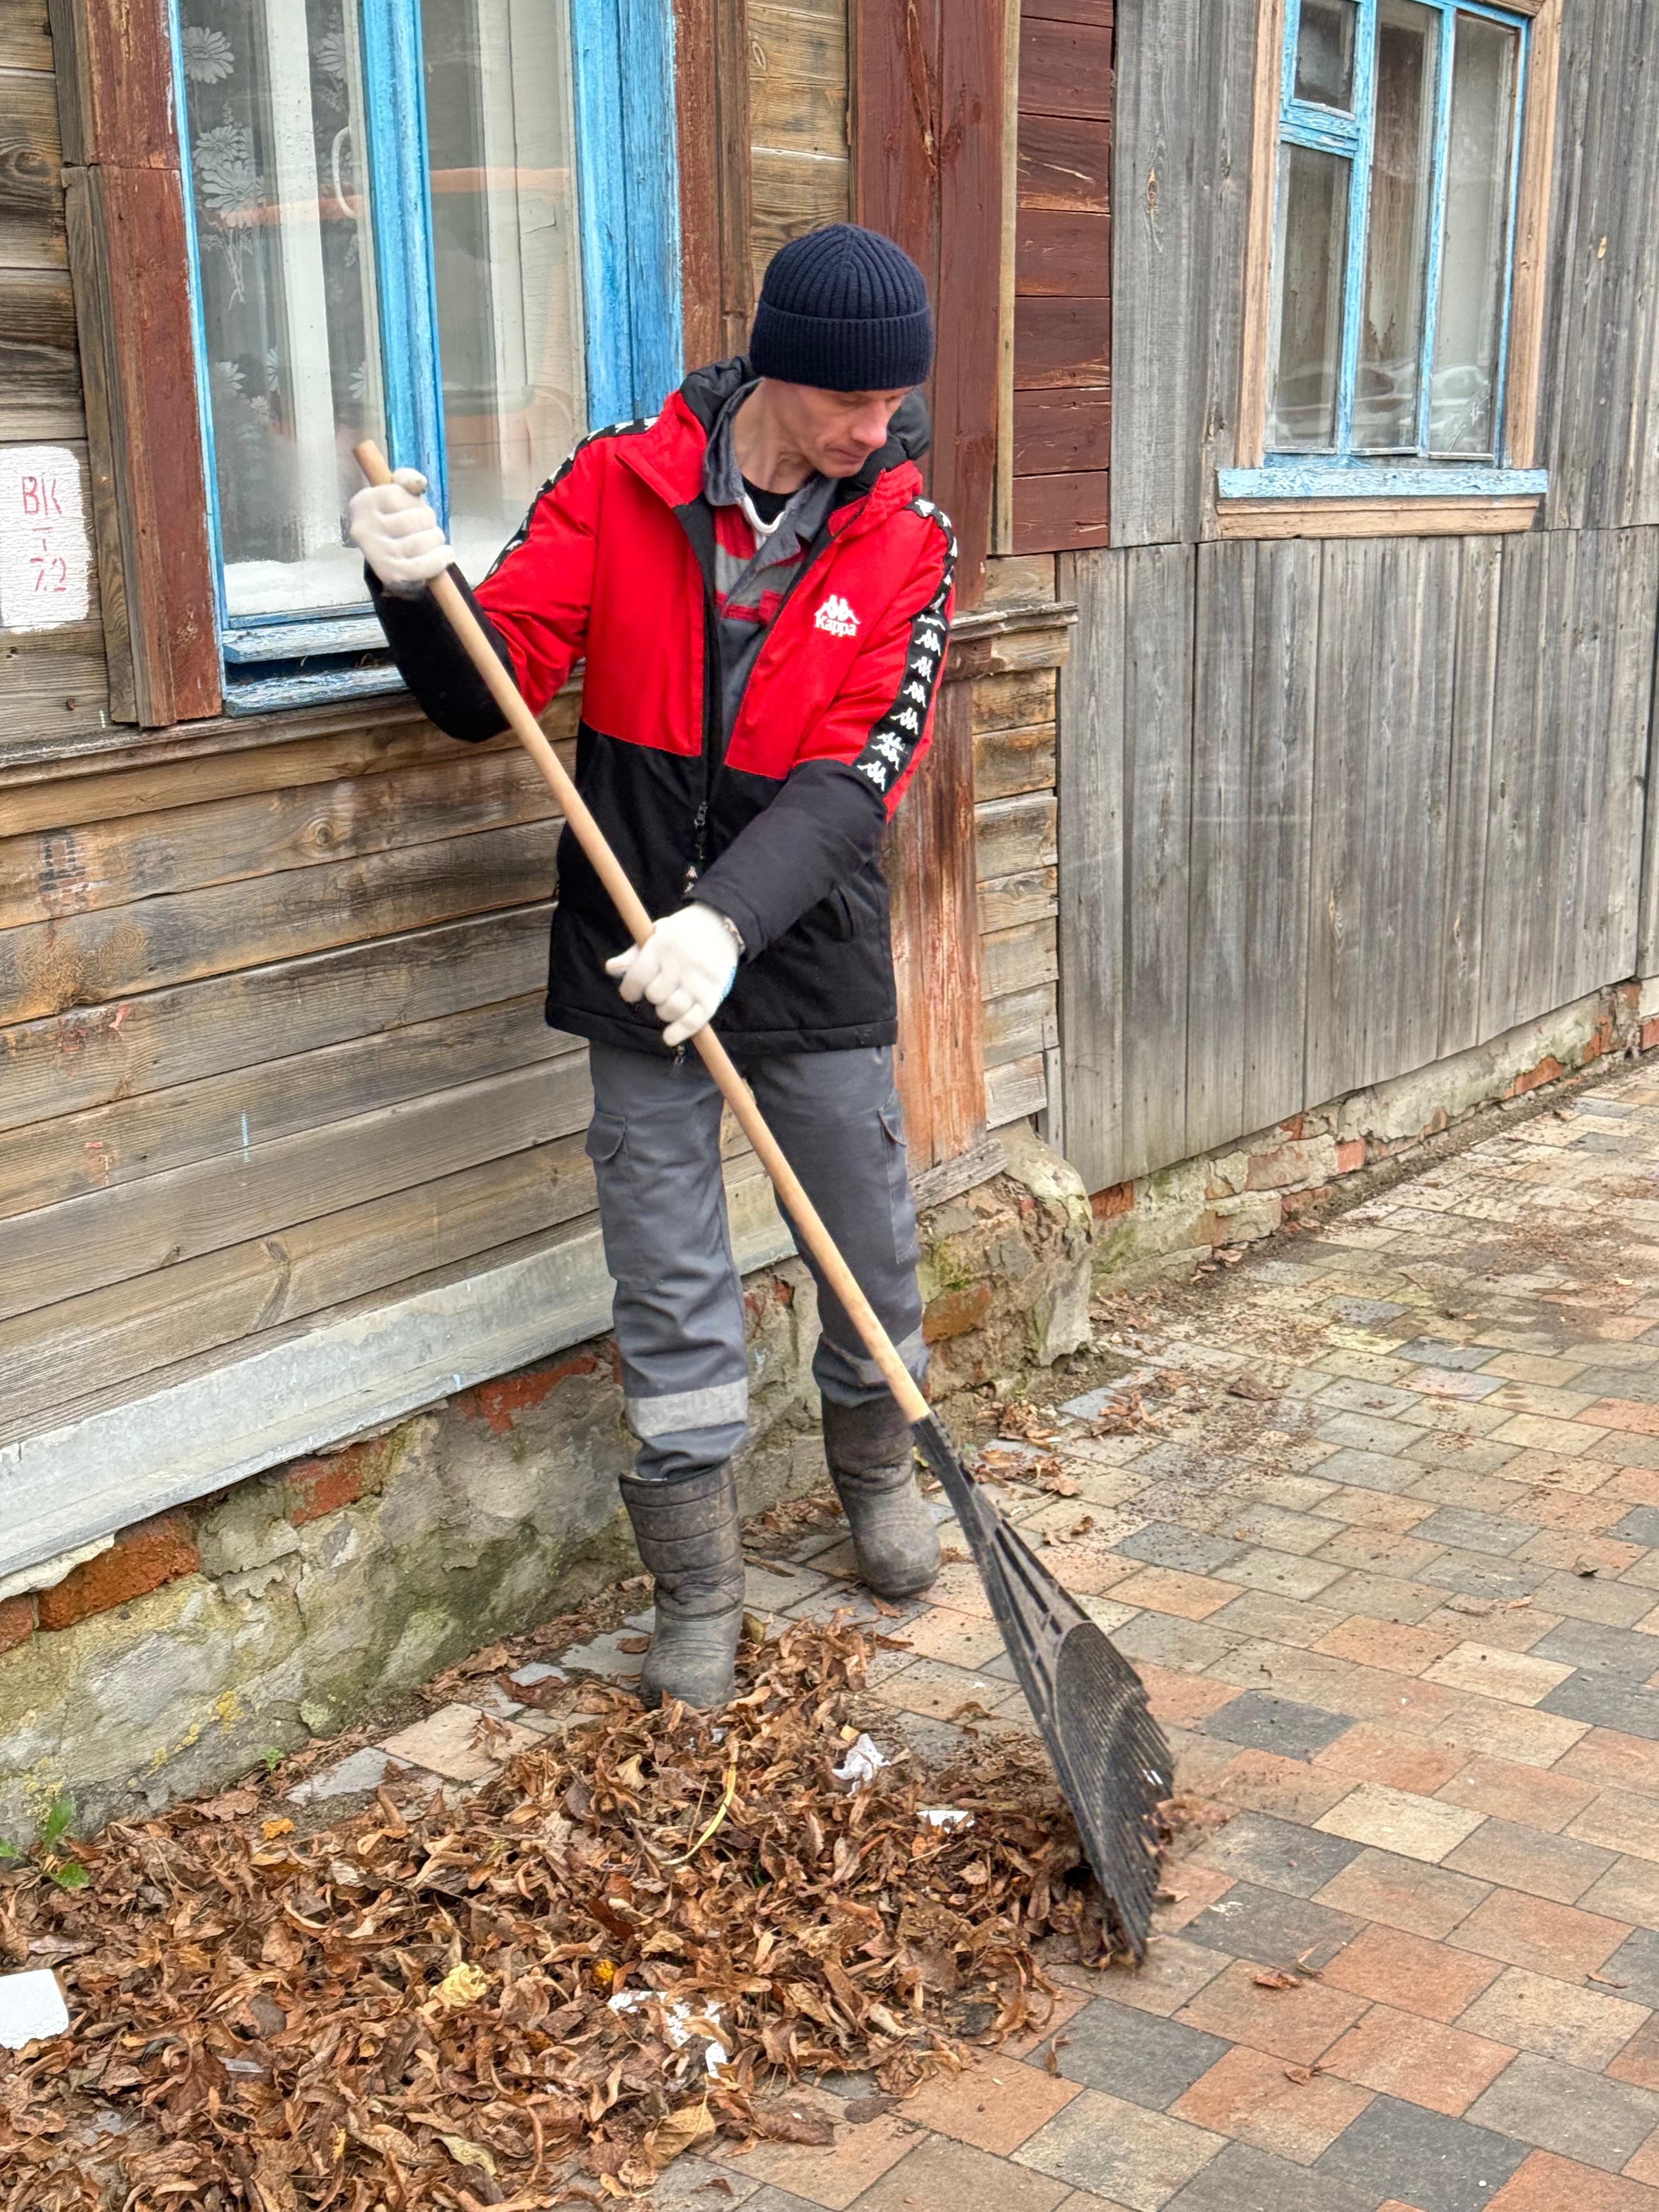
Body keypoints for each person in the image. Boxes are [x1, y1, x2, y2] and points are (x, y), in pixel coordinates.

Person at [350, 223, 955, 1711]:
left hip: (799, 949)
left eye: (894, 409)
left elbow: (856, 773)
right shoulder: (620, 482)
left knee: (861, 1235)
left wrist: (726, 925)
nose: (882, 435)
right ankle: (699, 1582)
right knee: (669, 1275)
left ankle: (878, 1474)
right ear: (779, 368)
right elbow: (485, 695)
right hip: (630, 948)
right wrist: (413, 593)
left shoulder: (908, 540)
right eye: (854, 407)